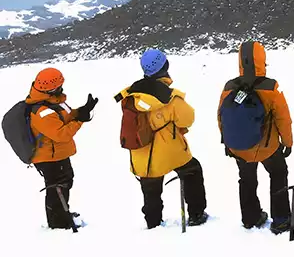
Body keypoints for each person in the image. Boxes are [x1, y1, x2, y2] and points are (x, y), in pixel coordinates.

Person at [115, 49, 208, 229]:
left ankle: (153, 223)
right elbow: (188, 118)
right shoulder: (171, 97)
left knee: (150, 189)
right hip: (168, 153)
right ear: (165, 67)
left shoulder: (131, 96)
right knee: (192, 171)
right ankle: (196, 214)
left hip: (140, 155)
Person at [219, 41, 294, 234]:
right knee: (278, 173)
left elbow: (221, 116)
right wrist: (288, 142)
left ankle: (250, 217)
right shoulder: (270, 87)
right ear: (262, 60)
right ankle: (281, 218)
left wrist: (226, 141)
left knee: (247, 179)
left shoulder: (229, 87)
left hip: (239, 146)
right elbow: (284, 119)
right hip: (267, 147)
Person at [27, 67, 98, 229]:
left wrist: (81, 111)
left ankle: (60, 214)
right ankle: (58, 223)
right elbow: (61, 134)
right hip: (48, 157)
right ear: (51, 89)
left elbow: (65, 117)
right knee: (57, 187)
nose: (62, 88)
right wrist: (80, 120)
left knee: (64, 182)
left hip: (56, 153)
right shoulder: (42, 112)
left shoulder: (53, 102)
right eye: (59, 85)